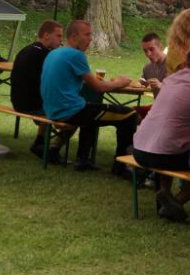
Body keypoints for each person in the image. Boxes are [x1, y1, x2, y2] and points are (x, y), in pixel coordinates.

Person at [41, 20, 138, 175]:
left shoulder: (54, 53)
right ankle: (121, 166)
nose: (90, 38)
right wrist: (120, 82)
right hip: (69, 111)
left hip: (52, 110)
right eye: (87, 34)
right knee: (129, 115)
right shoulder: (76, 55)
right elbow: (98, 87)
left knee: (91, 108)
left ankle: (82, 159)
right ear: (73, 36)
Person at [133, 49, 190, 222]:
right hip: (164, 155)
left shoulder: (169, 81)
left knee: (170, 141)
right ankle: (176, 202)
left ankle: (165, 192)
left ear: (185, 64)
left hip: (139, 150)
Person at [10, 19, 64, 160]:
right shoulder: (44, 55)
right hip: (33, 105)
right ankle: (52, 149)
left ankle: (40, 141)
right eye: (58, 36)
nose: (61, 40)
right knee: (75, 111)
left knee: (53, 103)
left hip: (18, 102)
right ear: (46, 35)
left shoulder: (26, 50)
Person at [140, 33, 167, 97]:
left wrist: (162, 86)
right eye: (145, 51)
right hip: (157, 106)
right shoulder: (147, 68)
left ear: (161, 47)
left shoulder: (174, 65)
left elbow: (183, 90)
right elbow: (143, 83)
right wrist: (143, 83)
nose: (148, 54)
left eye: (151, 49)